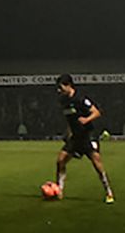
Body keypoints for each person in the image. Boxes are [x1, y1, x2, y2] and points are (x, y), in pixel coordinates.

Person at [48, 74, 114, 204]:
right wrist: (68, 132)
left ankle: (108, 192)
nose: (59, 90)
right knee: (60, 160)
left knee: (96, 162)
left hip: (87, 135)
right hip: (75, 137)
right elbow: (70, 120)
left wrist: (86, 119)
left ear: (68, 85)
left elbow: (96, 112)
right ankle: (59, 190)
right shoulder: (63, 101)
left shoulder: (81, 99)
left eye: (60, 87)